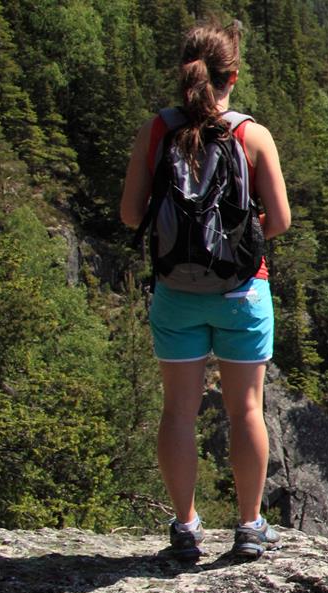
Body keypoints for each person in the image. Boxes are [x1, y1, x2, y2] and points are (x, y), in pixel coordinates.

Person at [118, 18, 291, 561]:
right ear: (231, 75)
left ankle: (187, 527)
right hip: (242, 291)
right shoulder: (251, 135)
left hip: (175, 290)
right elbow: (281, 220)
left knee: (178, 413)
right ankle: (248, 527)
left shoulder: (157, 131)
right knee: (246, 411)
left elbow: (129, 216)